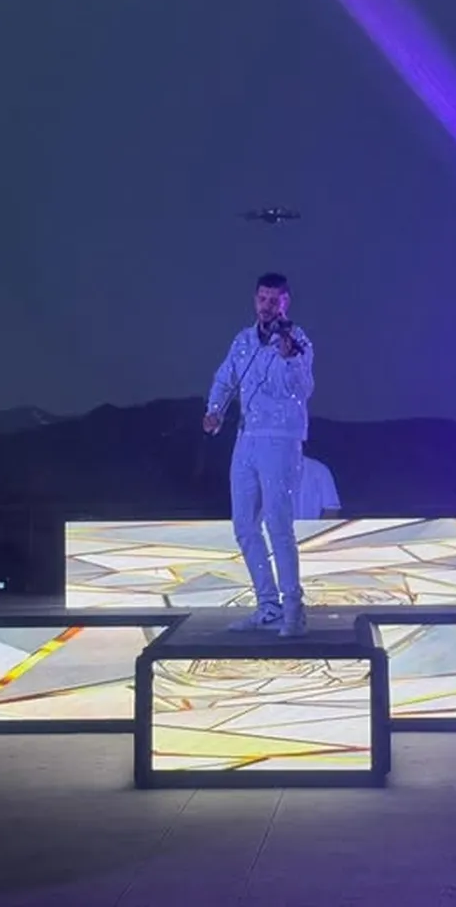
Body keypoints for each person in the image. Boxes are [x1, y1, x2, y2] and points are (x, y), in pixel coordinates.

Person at [203, 272, 313, 637]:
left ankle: (294, 609)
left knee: (278, 524)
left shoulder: (297, 341)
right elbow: (225, 378)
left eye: (274, 300)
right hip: (246, 438)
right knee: (244, 525)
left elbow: (302, 388)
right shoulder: (243, 340)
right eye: (262, 299)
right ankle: (267, 604)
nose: (267, 306)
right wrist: (215, 409)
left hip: (280, 440)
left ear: (286, 303)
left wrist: (288, 359)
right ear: (256, 300)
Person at [297, 455, 341, 520]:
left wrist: (318, 529)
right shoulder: (276, 470)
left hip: (312, 529)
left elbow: (331, 509)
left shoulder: (319, 470)